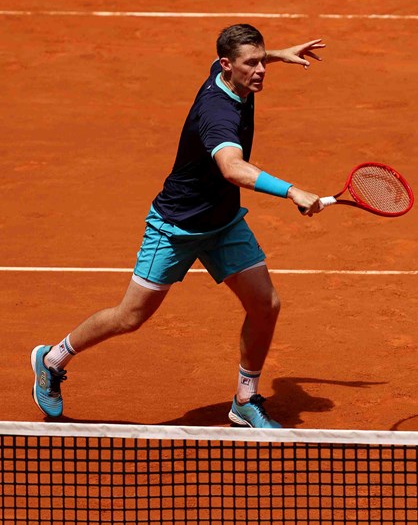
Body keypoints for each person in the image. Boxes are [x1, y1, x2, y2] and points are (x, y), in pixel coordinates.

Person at [32, 24, 328, 428]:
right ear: (228, 66)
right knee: (130, 317)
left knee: (265, 305)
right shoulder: (218, 112)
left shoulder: (226, 74)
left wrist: (278, 53)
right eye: (252, 64)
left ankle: (245, 398)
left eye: (263, 61)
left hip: (222, 222)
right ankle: (52, 359)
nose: (260, 71)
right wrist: (291, 191)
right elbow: (232, 168)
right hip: (175, 226)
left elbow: (243, 60)